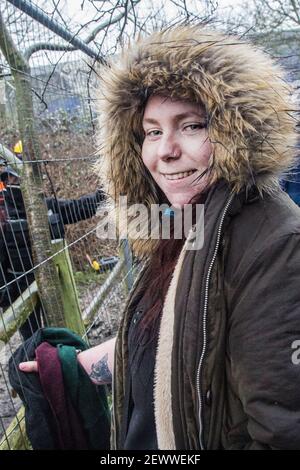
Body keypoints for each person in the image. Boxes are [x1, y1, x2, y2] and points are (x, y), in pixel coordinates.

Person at [18, 25, 300, 450]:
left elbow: (283, 432)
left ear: (236, 133)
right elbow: (188, 334)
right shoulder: (182, 224)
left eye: (190, 126)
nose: (164, 150)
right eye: (151, 131)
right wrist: (76, 367)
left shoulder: (276, 249)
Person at [0, 165, 105, 339]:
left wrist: (102, 197)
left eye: (20, 178)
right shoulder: (3, 215)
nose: (16, 182)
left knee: (61, 331)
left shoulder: (45, 206)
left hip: (55, 281)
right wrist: (4, 292)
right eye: (12, 179)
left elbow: (77, 208)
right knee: (32, 339)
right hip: (19, 289)